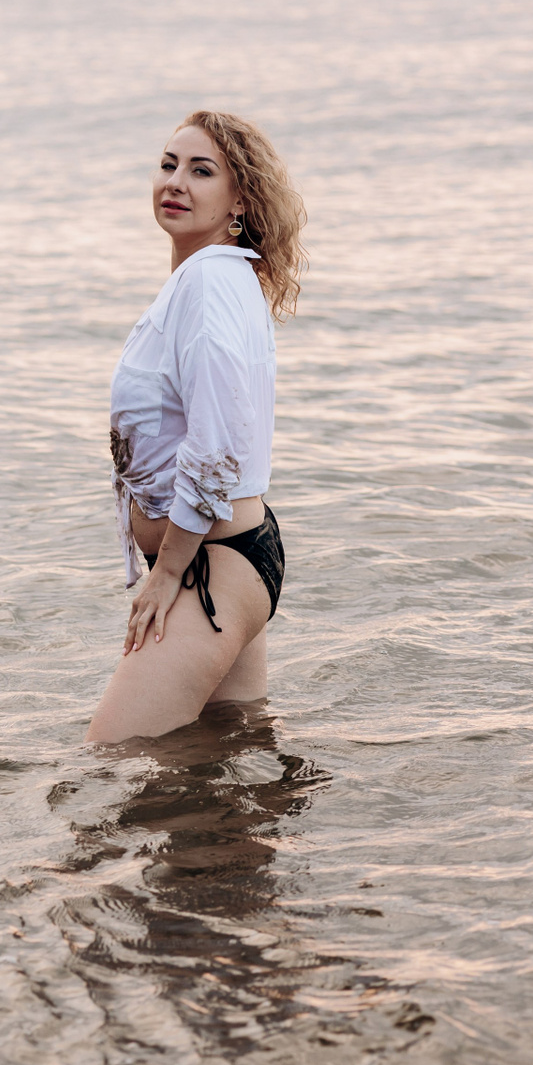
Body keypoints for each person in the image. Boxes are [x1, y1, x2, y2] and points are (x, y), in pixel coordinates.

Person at [87, 111, 305, 744]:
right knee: (220, 758)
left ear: (239, 200)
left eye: (201, 171)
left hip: (210, 566)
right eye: (168, 165)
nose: (176, 181)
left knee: (111, 762)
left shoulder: (210, 281)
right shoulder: (214, 276)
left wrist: (166, 575)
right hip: (225, 556)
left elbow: (215, 448)